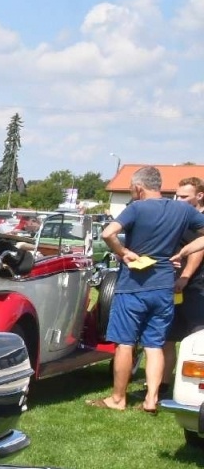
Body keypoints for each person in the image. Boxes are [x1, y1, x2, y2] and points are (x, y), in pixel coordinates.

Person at [89, 166, 204, 412]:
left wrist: (123, 252)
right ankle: (151, 399)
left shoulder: (136, 208)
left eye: (131, 188)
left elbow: (108, 233)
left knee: (125, 343)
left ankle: (118, 399)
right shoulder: (182, 209)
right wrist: (184, 251)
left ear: (139, 188)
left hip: (133, 286)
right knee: (155, 345)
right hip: (164, 286)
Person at [170, 176, 204, 339]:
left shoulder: (200, 221)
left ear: (200, 195)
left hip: (195, 286)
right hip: (174, 285)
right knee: (167, 338)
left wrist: (185, 276)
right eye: (178, 196)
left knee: (197, 337)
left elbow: (199, 249)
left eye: (185, 197)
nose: (179, 200)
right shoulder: (179, 217)